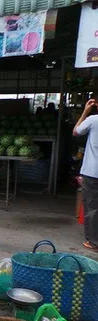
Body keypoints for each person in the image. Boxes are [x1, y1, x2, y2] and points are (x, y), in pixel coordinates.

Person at [73, 99, 98, 252]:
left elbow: (76, 131)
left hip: (93, 171)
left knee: (92, 206)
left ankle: (94, 241)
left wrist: (85, 112)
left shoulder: (93, 120)